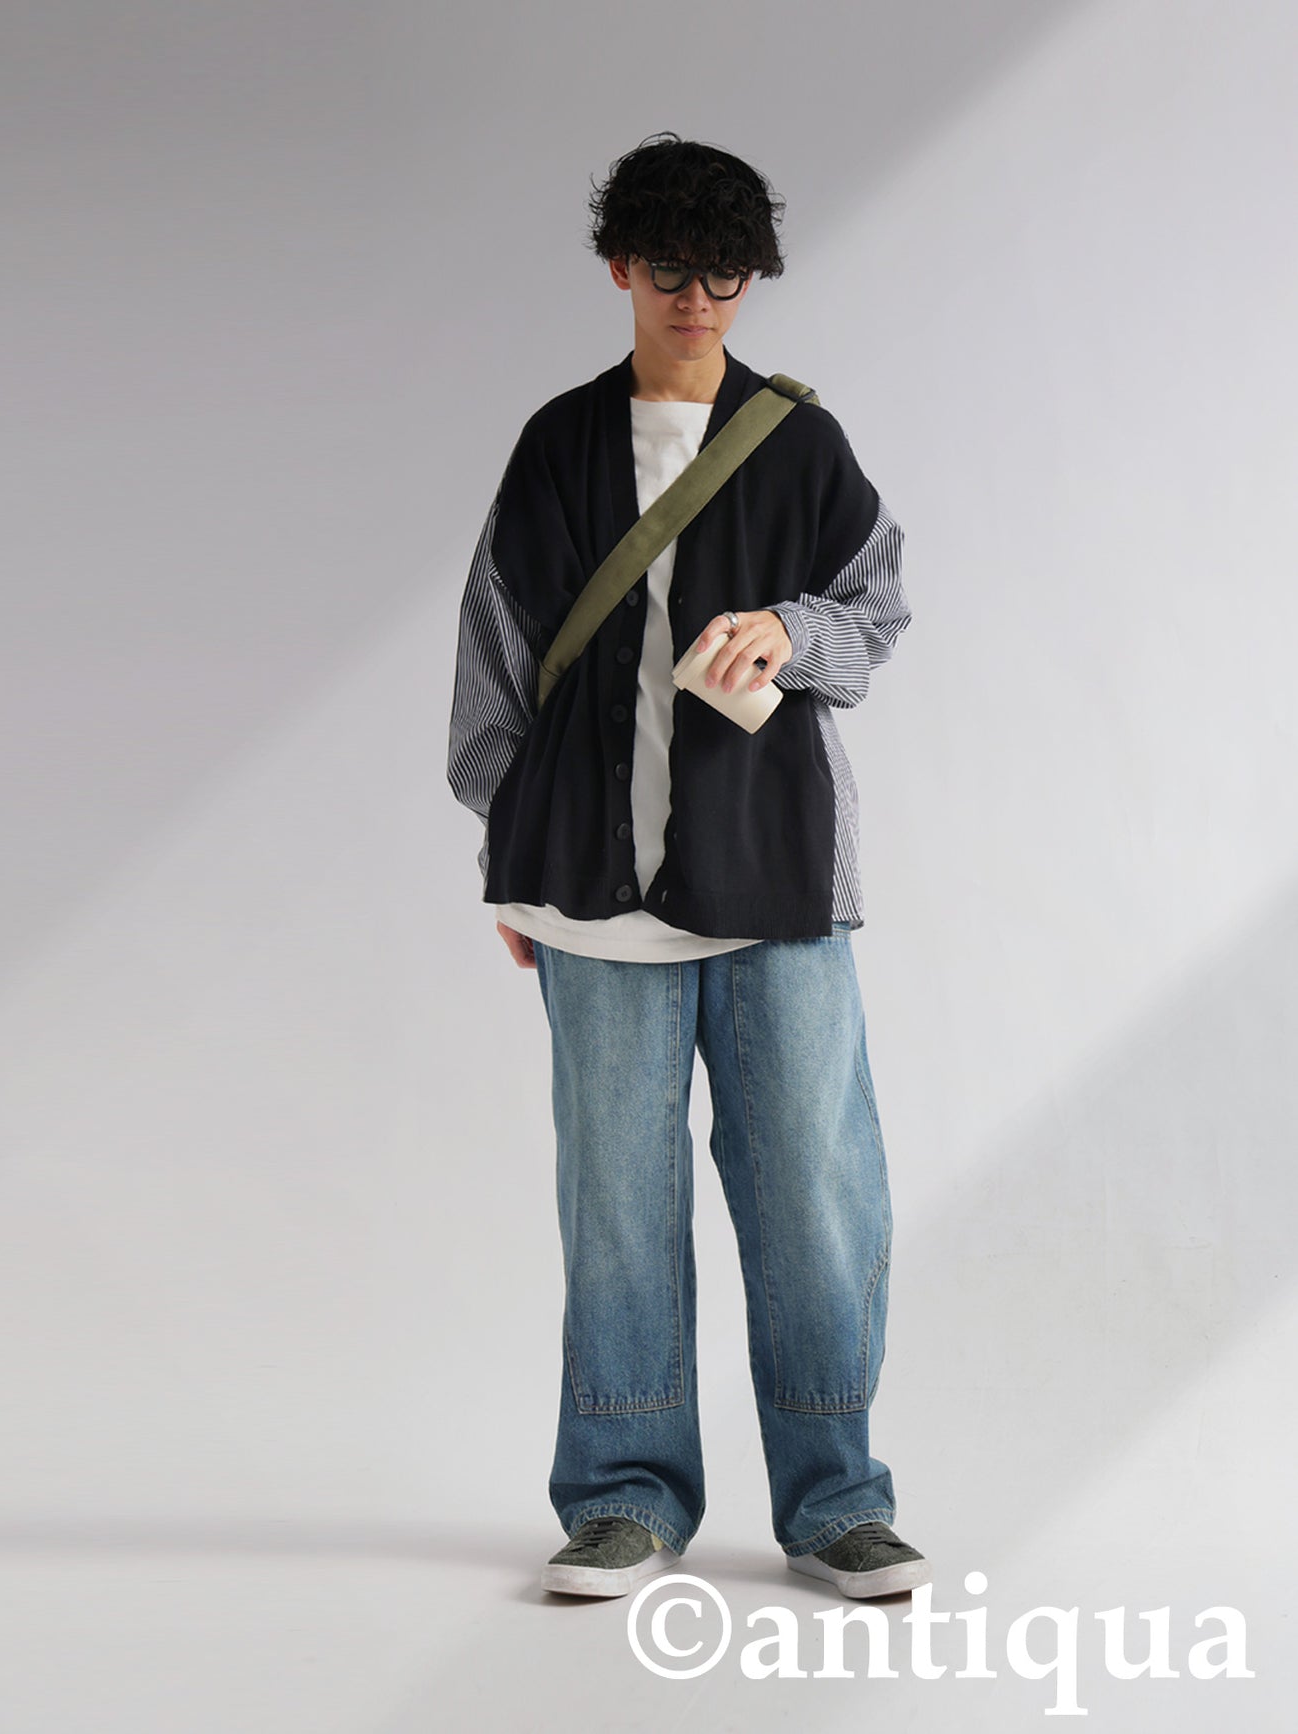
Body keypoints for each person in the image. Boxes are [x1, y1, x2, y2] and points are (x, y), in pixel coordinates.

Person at [446, 132, 928, 1601]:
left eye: (725, 273)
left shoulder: (798, 443)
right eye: (670, 268)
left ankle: (837, 1499)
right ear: (620, 267)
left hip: (775, 880)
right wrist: (510, 854)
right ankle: (622, 1496)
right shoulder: (557, 444)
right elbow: (495, 661)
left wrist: (794, 630)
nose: (698, 298)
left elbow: (877, 610)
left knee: (814, 1194)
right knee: (615, 1206)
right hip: (588, 898)